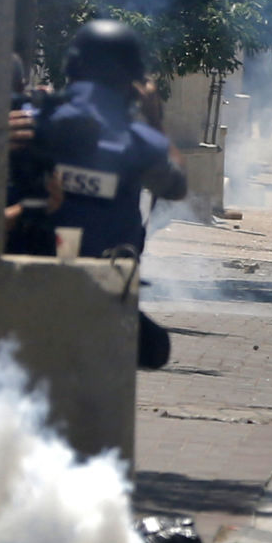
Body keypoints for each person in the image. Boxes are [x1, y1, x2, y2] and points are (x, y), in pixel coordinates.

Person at [37, 19, 189, 368]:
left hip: (28, 277)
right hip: (105, 289)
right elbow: (177, 185)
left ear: (72, 67)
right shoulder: (139, 142)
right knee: (152, 352)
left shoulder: (36, 120)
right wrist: (155, 120)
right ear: (133, 82)